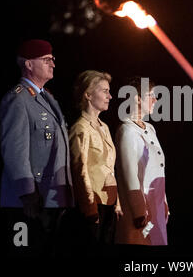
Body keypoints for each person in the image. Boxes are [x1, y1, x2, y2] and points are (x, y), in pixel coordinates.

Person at [0, 39, 74, 256]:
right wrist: (27, 193)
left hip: (50, 199)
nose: (53, 64)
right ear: (29, 64)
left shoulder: (47, 98)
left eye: (53, 59)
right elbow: (14, 150)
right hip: (28, 202)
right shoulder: (18, 99)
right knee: (25, 252)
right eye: (46, 59)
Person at [69, 70, 122, 246]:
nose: (110, 96)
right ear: (88, 94)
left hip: (109, 203)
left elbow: (110, 168)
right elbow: (79, 170)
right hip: (93, 205)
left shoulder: (104, 127)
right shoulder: (80, 128)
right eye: (105, 91)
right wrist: (89, 206)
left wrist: (118, 202)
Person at [115, 77, 169, 245]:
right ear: (137, 98)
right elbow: (130, 174)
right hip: (140, 211)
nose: (155, 99)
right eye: (150, 95)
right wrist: (139, 212)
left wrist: (164, 201)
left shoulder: (150, 128)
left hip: (156, 207)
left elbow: (158, 169)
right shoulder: (127, 130)